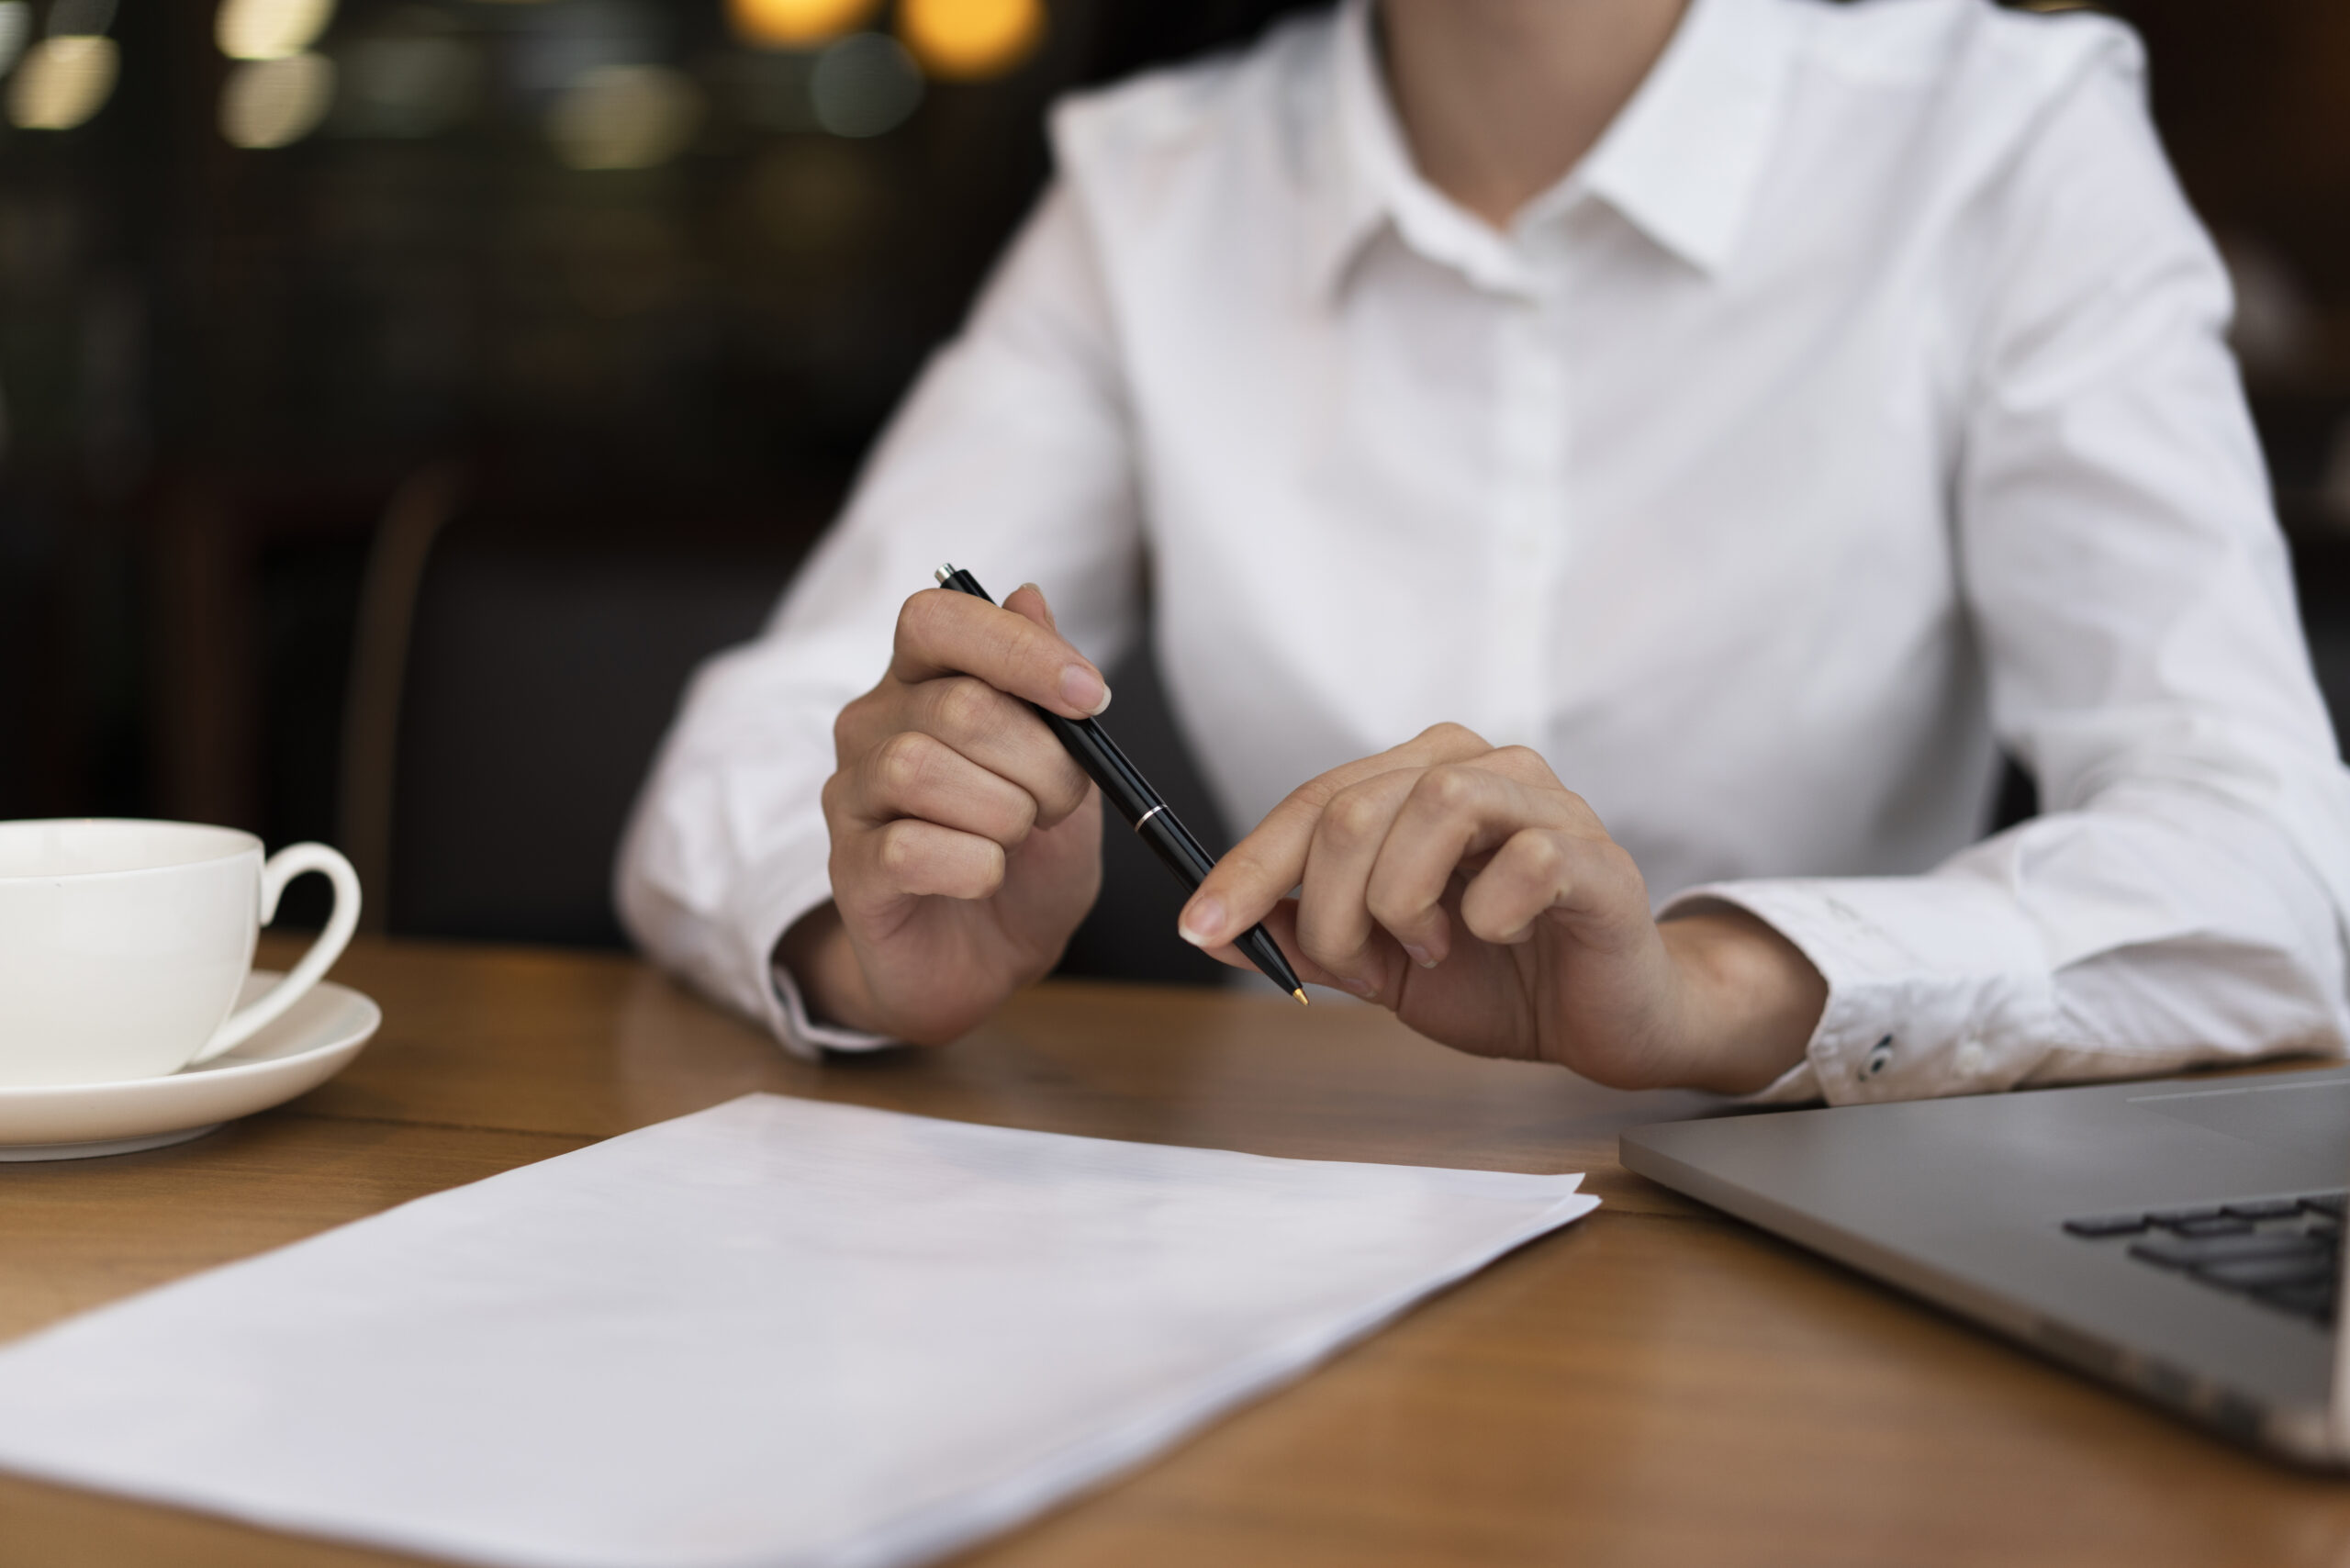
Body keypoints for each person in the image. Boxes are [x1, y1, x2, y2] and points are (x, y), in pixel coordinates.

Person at [618, 0, 2350, 1105]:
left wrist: (1712, 987)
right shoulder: (1152, 190)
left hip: (1818, 1285)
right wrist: (889, 925)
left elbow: (2276, 863)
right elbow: (758, 746)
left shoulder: (2007, 140)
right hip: (1300, 1256)